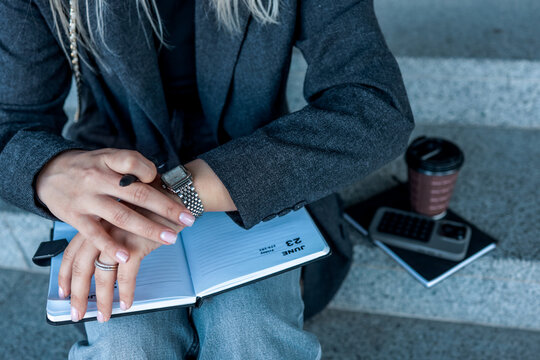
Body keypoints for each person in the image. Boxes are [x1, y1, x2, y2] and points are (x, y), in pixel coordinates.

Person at [0, 0, 414, 358]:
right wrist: (48, 171)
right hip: (114, 188)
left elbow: (376, 106)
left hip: (262, 171)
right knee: (127, 344)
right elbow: (11, 121)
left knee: (249, 329)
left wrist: (177, 194)